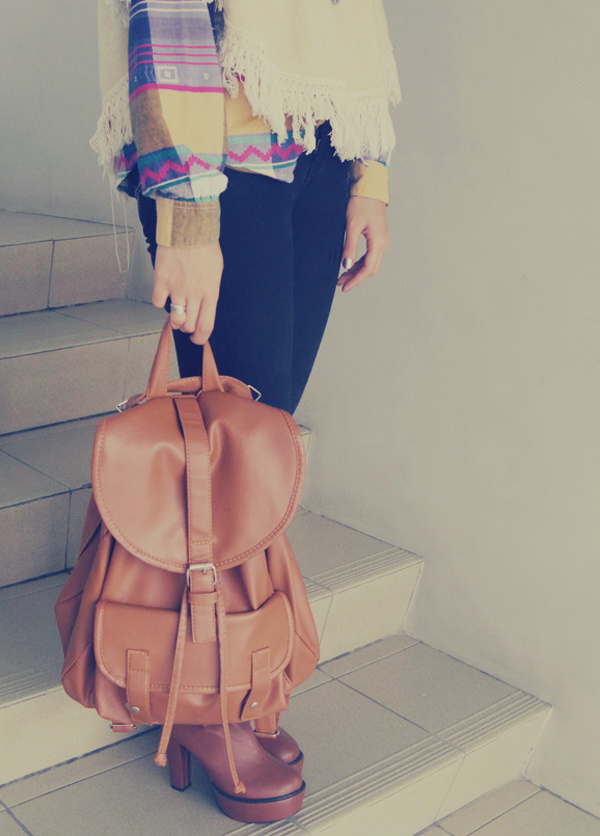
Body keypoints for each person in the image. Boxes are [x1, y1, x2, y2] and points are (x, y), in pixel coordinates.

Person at [92, 0, 400, 821]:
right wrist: (189, 218)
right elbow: (168, 14)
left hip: (320, 141)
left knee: (261, 439)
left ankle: (212, 667)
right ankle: (203, 703)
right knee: (226, 446)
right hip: (221, 149)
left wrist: (369, 176)